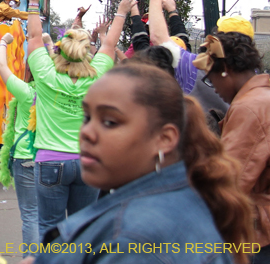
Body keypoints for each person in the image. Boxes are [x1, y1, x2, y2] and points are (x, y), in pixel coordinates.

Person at [21, 63, 255, 264]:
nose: (86, 133)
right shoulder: (180, 199)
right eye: (87, 117)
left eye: (110, 121)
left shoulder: (132, 239)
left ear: (164, 139)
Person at [25, 0, 136, 239]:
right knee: (82, 229)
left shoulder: (45, 74)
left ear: (60, 50)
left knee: (50, 229)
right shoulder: (96, 76)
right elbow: (109, 44)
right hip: (87, 161)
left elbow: (34, 38)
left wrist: (33, 2)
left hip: (50, 161)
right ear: (86, 53)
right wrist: (121, 11)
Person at [193, 31, 270, 261]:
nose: (214, 88)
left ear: (225, 69)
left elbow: (231, 180)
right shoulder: (262, 98)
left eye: (211, 79)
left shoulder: (249, 108)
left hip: (257, 234)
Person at [0, 33, 38, 253]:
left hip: (25, 159)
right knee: (49, 215)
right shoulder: (58, 93)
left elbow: (1, 65)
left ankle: (32, 257)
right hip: (52, 157)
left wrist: (3, 42)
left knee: (30, 215)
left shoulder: (26, 92)